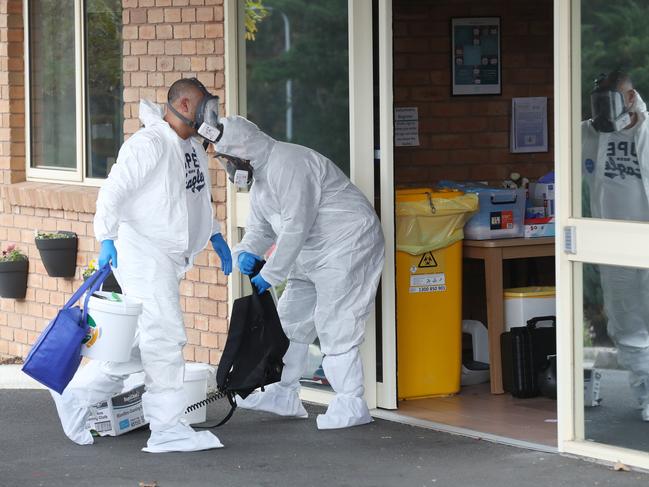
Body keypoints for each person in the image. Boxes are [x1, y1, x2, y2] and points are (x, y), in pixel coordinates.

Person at [50, 78, 232, 452]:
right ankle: (167, 428)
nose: (210, 114)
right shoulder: (148, 144)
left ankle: (74, 394)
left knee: (131, 349)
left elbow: (195, 198)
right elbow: (113, 191)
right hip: (145, 255)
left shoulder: (191, 147)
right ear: (183, 104)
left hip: (167, 258)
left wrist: (213, 235)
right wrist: (105, 237)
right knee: (164, 339)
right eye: (205, 106)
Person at [215, 116, 385, 430]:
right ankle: (284, 393)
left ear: (243, 152)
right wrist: (246, 252)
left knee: (336, 320)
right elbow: (260, 229)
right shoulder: (262, 180)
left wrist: (272, 273)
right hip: (311, 251)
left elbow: (296, 224)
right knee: (289, 320)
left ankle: (351, 402)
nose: (228, 167)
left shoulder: (289, 163)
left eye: (228, 159)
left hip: (346, 244)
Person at [582, 70, 649, 420]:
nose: (603, 112)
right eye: (599, 103)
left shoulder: (647, 131)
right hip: (613, 246)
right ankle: (647, 399)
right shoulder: (588, 134)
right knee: (628, 326)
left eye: (611, 102)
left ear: (630, 97)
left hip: (645, 240)